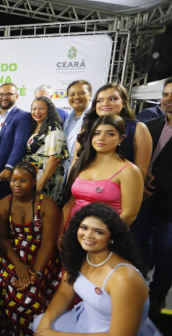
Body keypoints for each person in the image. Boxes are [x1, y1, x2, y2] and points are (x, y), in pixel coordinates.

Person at [33, 203, 161, 336]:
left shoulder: (124, 279)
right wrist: (45, 323)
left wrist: (56, 335)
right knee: (39, 323)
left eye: (98, 231)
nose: (88, 235)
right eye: (84, 227)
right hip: (83, 321)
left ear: (112, 237)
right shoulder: (81, 256)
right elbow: (64, 294)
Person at [0, 162, 61, 335]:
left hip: (40, 255)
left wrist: (35, 274)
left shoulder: (47, 206)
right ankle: (1, 327)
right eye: (13, 180)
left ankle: (26, 330)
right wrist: (19, 266)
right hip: (12, 251)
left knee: (28, 291)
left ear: (34, 182)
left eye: (23, 180)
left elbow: (48, 244)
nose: (17, 185)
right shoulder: (5, 204)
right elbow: (0, 238)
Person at [132, 78, 172, 314]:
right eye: (166, 94)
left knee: (166, 252)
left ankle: (157, 297)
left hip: (169, 208)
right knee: (137, 250)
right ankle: (135, 294)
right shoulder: (149, 126)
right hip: (142, 202)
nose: (168, 99)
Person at [62, 114, 144, 231]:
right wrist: (60, 234)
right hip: (72, 234)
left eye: (110, 134)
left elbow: (129, 215)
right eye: (97, 133)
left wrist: (101, 235)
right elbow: (69, 203)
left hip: (105, 239)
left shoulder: (129, 171)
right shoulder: (81, 164)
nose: (101, 138)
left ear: (121, 138)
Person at [75, 82, 152, 179]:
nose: (105, 104)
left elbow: (141, 172)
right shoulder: (87, 127)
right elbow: (75, 162)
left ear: (124, 103)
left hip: (119, 189)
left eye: (113, 99)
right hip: (83, 186)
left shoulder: (138, 128)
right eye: (100, 100)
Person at [0, 83, 32, 199]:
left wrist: (9, 167)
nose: (4, 97)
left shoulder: (23, 117)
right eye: (1, 94)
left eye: (9, 94)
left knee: (2, 205)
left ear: (17, 96)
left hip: (4, 171)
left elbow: (19, 145)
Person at [24, 96, 68, 205]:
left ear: (49, 110)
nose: (37, 112)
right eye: (34, 109)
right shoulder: (34, 126)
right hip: (33, 176)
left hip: (46, 180)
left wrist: (39, 186)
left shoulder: (53, 129)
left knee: (44, 213)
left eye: (41, 108)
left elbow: (54, 159)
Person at [63, 80, 92, 177]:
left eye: (81, 93)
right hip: (67, 168)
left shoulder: (95, 117)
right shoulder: (69, 118)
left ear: (90, 95)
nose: (76, 97)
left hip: (85, 170)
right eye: (72, 94)